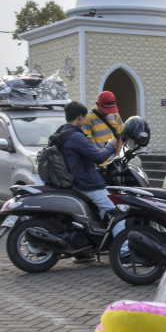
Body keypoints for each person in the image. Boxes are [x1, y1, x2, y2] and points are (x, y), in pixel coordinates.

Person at [53, 102, 119, 246]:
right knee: (116, 213)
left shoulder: (62, 132)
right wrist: (111, 144)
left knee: (98, 213)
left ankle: (90, 247)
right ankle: (125, 251)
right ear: (80, 117)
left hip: (75, 181)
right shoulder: (75, 136)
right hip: (87, 184)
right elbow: (99, 157)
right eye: (84, 118)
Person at [83, 91, 124, 159]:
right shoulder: (88, 118)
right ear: (97, 104)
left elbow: (121, 136)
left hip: (113, 161)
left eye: (110, 109)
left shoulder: (115, 114)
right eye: (105, 109)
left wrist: (117, 155)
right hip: (98, 161)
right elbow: (88, 144)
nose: (108, 112)